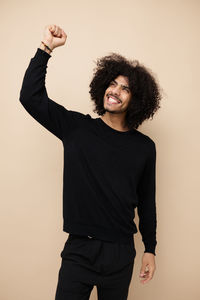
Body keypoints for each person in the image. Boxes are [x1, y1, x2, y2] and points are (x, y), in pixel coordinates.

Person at [19, 24, 162, 300]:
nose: (115, 91)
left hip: (120, 254)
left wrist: (150, 249)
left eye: (125, 89)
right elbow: (30, 97)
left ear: (136, 100)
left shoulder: (145, 148)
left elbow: (147, 202)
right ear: (102, 87)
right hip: (79, 251)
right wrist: (46, 48)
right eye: (112, 84)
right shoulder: (76, 128)